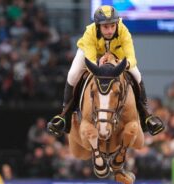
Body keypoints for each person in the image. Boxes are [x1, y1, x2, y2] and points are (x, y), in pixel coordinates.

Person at [48, 5, 164, 136]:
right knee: (73, 74)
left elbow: (131, 58)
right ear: (98, 26)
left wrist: (121, 64)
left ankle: (146, 116)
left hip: (117, 56)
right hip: (91, 54)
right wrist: (99, 62)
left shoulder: (124, 31)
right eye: (105, 27)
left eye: (112, 26)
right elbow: (90, 60)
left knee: (136, 74)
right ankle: (65, 116)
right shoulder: (90, 32)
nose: (110, 30)